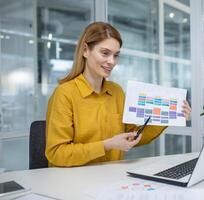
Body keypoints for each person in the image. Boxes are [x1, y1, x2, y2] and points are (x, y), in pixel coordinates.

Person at [45, 22, 192, 167]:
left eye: (116, 55)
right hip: (72, 181)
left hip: (111, 178)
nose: (112, 61)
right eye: (105, 53)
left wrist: (170, 115)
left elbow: (133, 136)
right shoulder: (65, 94)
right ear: (85, 50)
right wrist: (107, 145)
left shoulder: (116, 92)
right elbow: (57, 153)